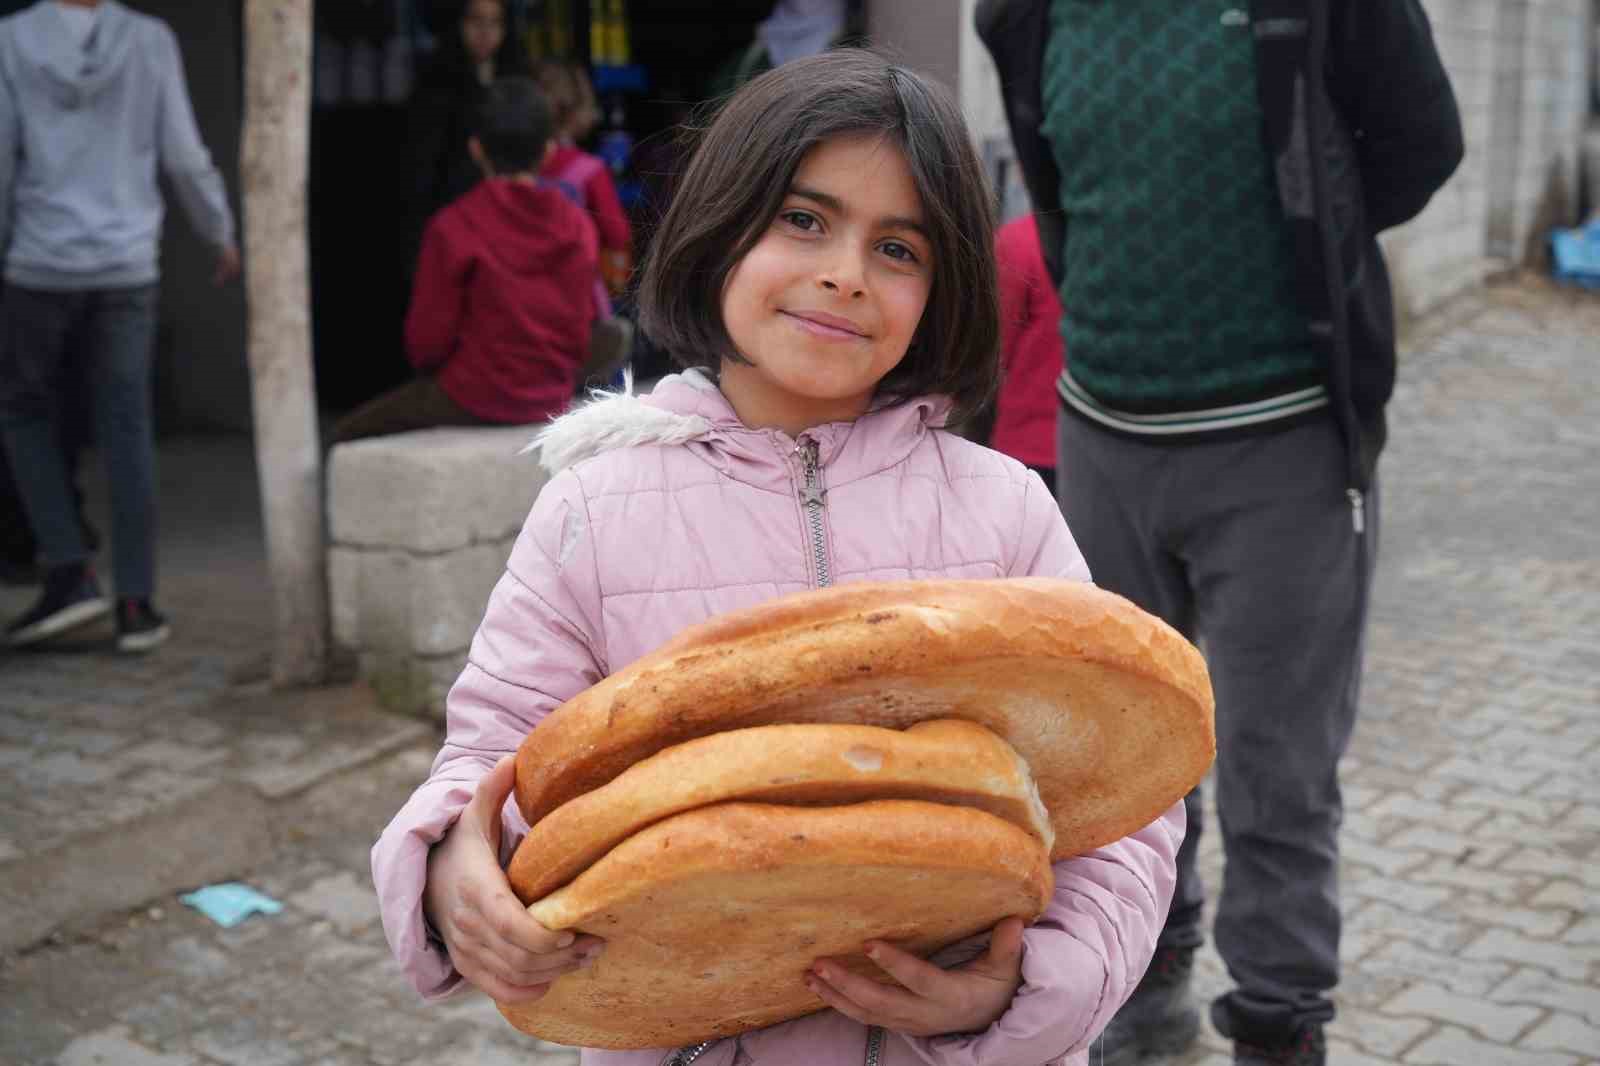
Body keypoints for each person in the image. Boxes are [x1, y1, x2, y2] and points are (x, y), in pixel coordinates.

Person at [372, 49, 1183, 1066]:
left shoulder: (1004, 512)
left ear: (942, 291)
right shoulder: (591, 510)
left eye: (899, 248)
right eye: (803, 220)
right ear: (721, 227)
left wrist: (1020, 992)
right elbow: (488, 762)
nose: (845, 271)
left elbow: (1122, 812)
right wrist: (458, 879)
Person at [975, 3, 1464, 1064]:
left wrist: (1299, 237)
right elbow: (1054, 197)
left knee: (1276, 768)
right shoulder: (1025, 12)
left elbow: (1421, 148)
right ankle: (1142, 988)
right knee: (1115, 758)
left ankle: (1278, 1024)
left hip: (1281, 441)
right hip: (1100, 434)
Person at [0, 0, 240, 651]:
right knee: (126, 426)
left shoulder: (13, 40)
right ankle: (137, 603)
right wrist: (218, 230)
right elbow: (186, 157)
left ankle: (69, 567)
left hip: (39, 264)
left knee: (23, 413)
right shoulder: (149, 40)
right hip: (127, 266)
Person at [333, 78, 600, 443]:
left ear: (476, 150)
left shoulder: (454, 225)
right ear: (548, 152)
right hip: (551, 395)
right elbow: (579, 330)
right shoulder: (578, 225)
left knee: (345, 436)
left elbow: (427, 343)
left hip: (473, 396)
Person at [405, 0, 529, 267]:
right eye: (475, 21)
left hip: (509, 222)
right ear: (459, 23)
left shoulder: (518, 83)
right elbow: (423, 168)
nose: (485, 32)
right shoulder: (435, 84)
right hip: (452, 218)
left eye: (494, 23)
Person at [535, 60, 633, 297]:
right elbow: (617, 235)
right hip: (578, 296)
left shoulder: (516, 166)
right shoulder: (589, 170)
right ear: (577, 110)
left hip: (522, 293)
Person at [992, 213, 1064, 495]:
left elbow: (997, 347)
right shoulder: (1114, 242)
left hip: (1027, 443)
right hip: (1105, 444)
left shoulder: (1018, 241)